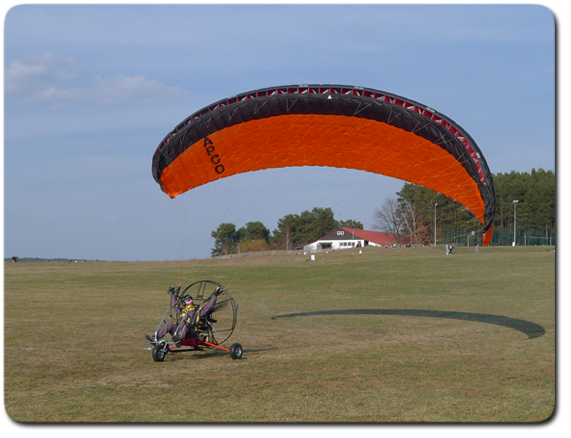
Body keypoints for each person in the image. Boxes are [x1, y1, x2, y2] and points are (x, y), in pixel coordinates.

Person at [146, 286, 222, 347]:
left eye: (190, 298)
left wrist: (215, 294)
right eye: (187, 299)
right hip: (178, 332)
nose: (190, 299)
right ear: (184, 302)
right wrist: (172, 292)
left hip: (191, 334)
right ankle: (155, 338)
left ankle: (179, 339)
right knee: (169, 324)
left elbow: (209, 306)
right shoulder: (182, 311)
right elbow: (174, 305)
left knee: (186, 323)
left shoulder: (197, 312)